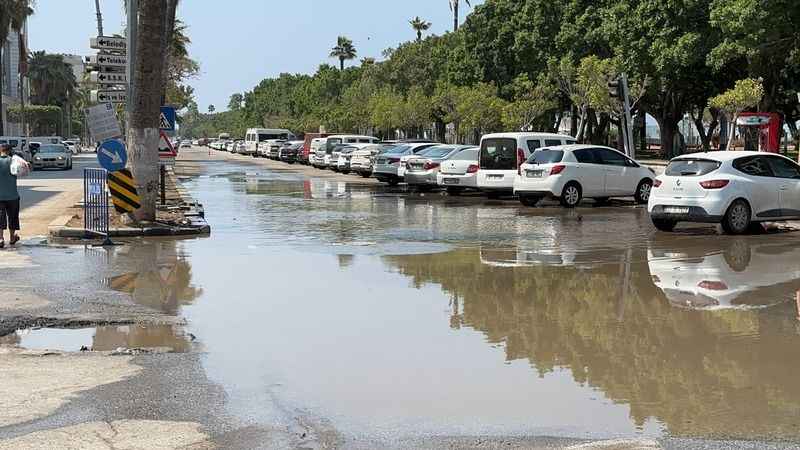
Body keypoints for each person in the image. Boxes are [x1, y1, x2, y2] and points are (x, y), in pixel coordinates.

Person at [0, 144, 21, 248]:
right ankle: (12, 238)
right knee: (13, 217)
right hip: (13, 196)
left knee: (0, 217)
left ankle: (0, 238)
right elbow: (24, 171)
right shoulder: (14, 161)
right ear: (9, 151)